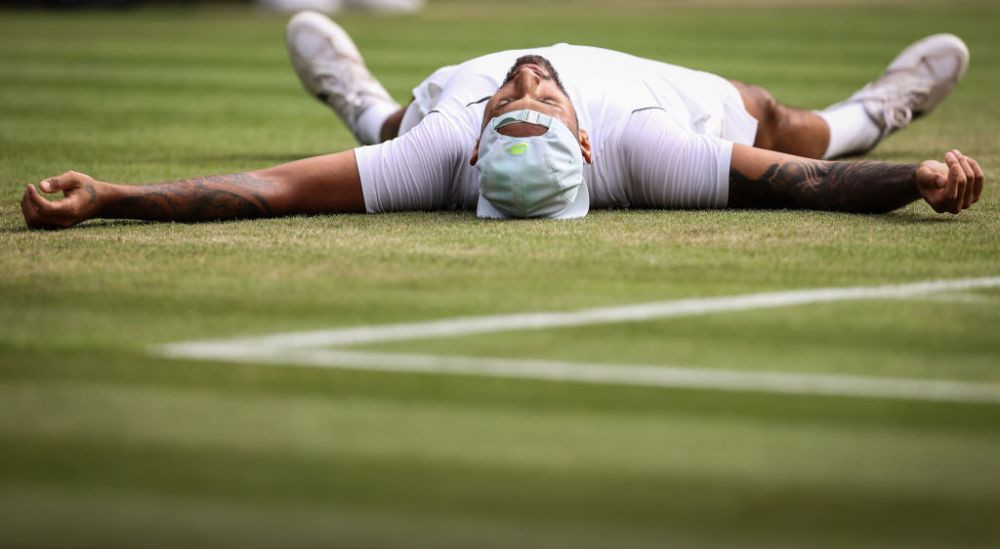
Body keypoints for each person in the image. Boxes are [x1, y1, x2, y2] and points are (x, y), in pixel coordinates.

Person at [20, 11, 984, 229]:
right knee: (781, 123)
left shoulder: (448, 142)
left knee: (395, 127)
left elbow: (268, 189)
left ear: (478, 148)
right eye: (537, 109)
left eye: (514, 111)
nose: (526, 90)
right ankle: (876, 109)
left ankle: (358, 98)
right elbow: (802, 187)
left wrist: (108, 194)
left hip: (428, 105)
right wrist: (916, 176)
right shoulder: (645, 148)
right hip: (654, 86)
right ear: (588, 145)